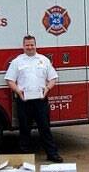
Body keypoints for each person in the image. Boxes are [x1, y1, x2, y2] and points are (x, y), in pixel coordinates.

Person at [5, 35, 63, 163]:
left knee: (45, 128)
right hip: (24, 101)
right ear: (23, 46)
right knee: (24, 129)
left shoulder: (44, 60)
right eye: (27, 45)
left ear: (36, 45)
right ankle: (24, 158)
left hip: (40, 101)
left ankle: (52, 154)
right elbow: (9, 80)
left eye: (32, 45)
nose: (30, 47)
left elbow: (53, 78)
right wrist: (18, 92)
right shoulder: (17, 61)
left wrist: (47, 88)